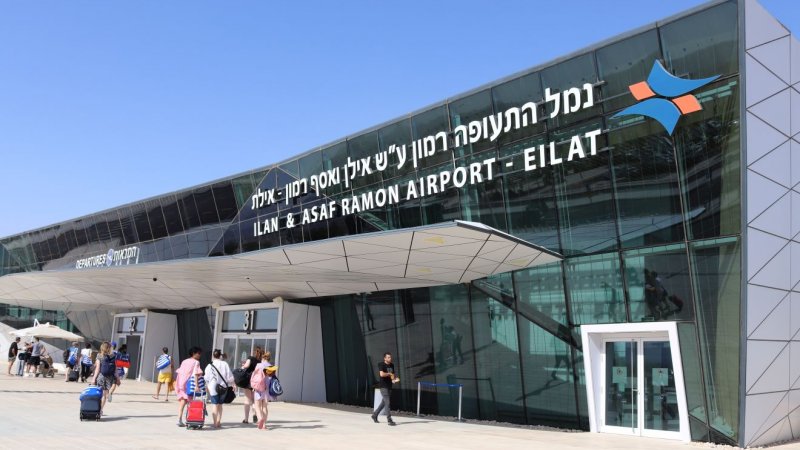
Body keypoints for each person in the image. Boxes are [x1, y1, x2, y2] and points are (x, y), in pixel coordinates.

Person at [204, 349, 234, 428]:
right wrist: (233, 384)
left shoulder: (209, 365)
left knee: (215, 405)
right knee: (220, 405)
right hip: (223, 387)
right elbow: (229, 376)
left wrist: (206, 386)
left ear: (213, 356)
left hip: (213, 387)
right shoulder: (224, 364)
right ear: (220, 355)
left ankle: (214, 423)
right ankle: (218, 421)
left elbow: (206, 377)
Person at [175, 346, 203, 427]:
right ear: (194, 353)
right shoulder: (196, 362)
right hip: (190, 385)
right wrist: (197, 386)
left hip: (181, 384)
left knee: (183, 402)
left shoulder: (184, 361)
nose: (200, 355)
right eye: (199, 353)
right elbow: (196, 374)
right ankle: (190, 419)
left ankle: (179, 419)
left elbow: (180, 372)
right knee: (191, 403)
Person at [90, 341, 120, 416]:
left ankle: (98, 410)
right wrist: (118, 378)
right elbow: (116, 369)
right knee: (105, 395)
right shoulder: (113, 356)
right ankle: (100, 410)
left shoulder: (99, 355)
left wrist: (93, 379)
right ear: (109, 348)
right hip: (110, 377)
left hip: (101, 377)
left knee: (100, 394)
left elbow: (97, 369)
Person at [371, 352, 397, 426]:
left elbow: (393, 375)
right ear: (385, 358)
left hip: (390, 386)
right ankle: (389, 419)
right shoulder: (381, 364)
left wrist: (394, 379)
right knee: (387, 402)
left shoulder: (392, 365)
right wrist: (389, 374)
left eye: (390, 357)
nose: (390, 358)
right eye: (388, 357)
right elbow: (381, 374)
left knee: (383, 403)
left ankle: (374, 415)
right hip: (383, 386)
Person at [240, 346, 263, 424]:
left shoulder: (251, 358)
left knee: (247, 400)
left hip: (248, 381)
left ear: (253, 352)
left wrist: (242, 367)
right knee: (254, 400)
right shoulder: (260, 361)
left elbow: (246, 365)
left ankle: (246, 419)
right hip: (256, 382)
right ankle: (255, 414)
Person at [252, 351, 272, 429]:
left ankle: (260, 419)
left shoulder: (259, 365)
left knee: (257, 406)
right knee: (264, 407)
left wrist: (253, 386)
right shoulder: (271, 366)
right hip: (266, 389)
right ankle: (264, 425)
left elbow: (255, 377)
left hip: (258, 388)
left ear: (263, 358)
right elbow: (271, 379)